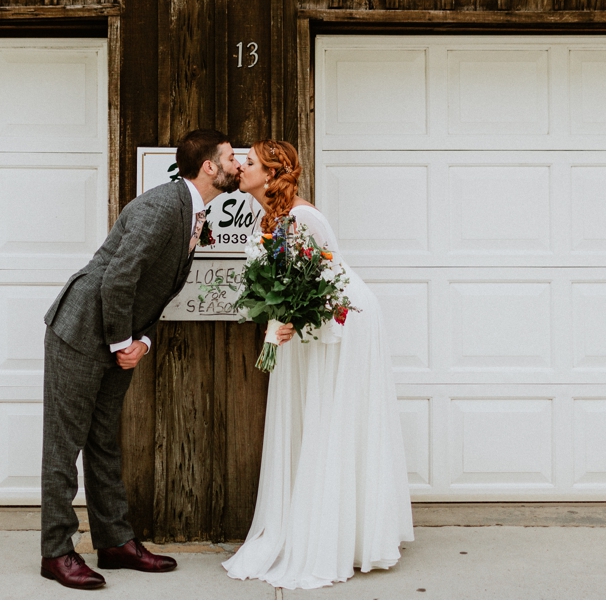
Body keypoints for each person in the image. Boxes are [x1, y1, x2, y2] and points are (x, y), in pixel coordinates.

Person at [40, 129, 242, 590]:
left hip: (117, 336)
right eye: (231, 157)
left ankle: (114, 542)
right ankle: (56, 552)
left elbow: (155, 293)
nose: (236, 164)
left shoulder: (194, 211)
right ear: (210, 167)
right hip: (80, 333)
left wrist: (142, 343)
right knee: (63, 446)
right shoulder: (160, 206)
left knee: (104, 441)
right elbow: (116, 280)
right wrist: (119, 344)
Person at [222, 139, 414, 590]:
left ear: (271, 174)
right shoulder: (269, 216)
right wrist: (279, 315)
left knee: (332, 418)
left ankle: (335, 537)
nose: (241, 167)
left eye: (248, 163)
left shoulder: (302, 215)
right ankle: (313, 524)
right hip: (313, 321)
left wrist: (283, 317)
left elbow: (317, 277)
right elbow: (287, 280)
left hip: (343, 323)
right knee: (313, 417)